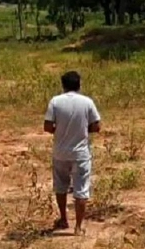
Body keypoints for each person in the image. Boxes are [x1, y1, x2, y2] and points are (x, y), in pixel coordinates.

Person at [44, 71, 102, 236]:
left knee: (60, 187)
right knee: (81, 189)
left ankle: (63, 219)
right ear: (79, 84)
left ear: (63, 85)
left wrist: (60, 131)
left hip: (60, 152)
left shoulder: (55, 101)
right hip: (80, 153)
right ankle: (78, 226)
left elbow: (47, 126)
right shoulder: (87, 102)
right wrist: (83, 130)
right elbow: (97, 127)